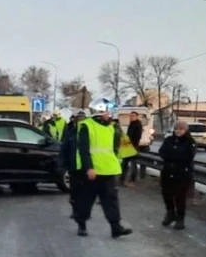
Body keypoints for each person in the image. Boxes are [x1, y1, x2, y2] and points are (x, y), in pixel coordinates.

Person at [74, 98, 133, 239]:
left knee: (111, 200)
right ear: (100, 112)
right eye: (107, 112)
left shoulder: (111, 127)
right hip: (92, 172)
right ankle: (81, 224)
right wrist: (88, 168)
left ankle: (116, 227)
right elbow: (84, 150)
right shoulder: (86, 126)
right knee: (85, 200)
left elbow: (113, 148)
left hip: (108, 171)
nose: (110, 114)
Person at [158, 120, 196, 229]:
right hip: (168, 171)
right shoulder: (169, 140)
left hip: (182, 174)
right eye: (176, 129)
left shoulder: (189, 142)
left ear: (185, 130)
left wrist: (173, 156)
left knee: (180, 197)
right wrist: (173, 156)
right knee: (167, 194)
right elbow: (162, 152)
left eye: (181, 129)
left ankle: (180, 218)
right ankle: (170, 213)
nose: (178, 131)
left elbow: (188, 156)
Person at [59, 109, 86, 218]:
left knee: (85, 192)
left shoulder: (88, 133)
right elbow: (64, 149)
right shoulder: (70, 133)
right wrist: (63, 164)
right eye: (79, 119)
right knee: (74, 192)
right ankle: (75, 210)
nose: (81, 121)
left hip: (86, 167)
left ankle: (82, 212)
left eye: (83, 119)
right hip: (73, 167)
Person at [119, 111, 143, 187]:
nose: (131, 117)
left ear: (136, 117)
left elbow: (137, 137)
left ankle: (132, 181)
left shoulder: (138, 125)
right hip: (128, 148)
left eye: (133, 116)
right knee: (124, 164)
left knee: (133, 165)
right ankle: (122, 180)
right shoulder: (131, 124)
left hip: (134, 148)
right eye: (130, 116)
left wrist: (132, 145)